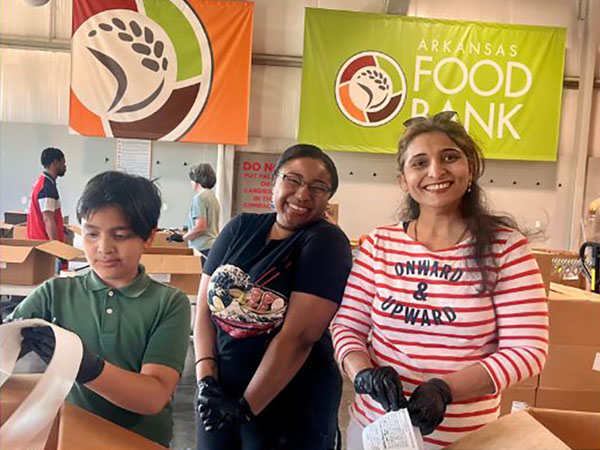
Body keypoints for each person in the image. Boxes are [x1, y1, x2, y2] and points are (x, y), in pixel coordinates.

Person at [330, 111, 549, 449]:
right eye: (419, 162)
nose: (435, 171)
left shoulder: (506, 249)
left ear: (470, 169)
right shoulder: (378, 245)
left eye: (450, 157)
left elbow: (528, 350)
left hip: (468, 438)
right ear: (404, 179)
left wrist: (445, 390)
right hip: (377, 431)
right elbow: (347, 328)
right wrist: (363, 374)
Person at [10, 171, 191, 447]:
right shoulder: (55, 293)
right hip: (73, 437)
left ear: (149, 236)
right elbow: (7, 341)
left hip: (141, 441)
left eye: (120, 235)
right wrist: (11, 342)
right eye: (92, 234)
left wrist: (88, 368)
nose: (104, 247)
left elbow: (154, 395)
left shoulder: (169, 303)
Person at [193, 144, 353, 449]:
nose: (303, 194)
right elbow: (203, 311)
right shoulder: (239, 228)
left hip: (288, 403)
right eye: (292, 180)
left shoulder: (326, 242)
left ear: (328, 198)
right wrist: (206, 381)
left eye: (318, 187)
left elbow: (298, 337)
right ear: (274, 181)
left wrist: (244, 408)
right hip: (220, 393)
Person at [167, 163, 220, 258]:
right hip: (212, 246)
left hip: (201, 248)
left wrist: (182, 238)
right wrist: (185, 232)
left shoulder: (199, 198)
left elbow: (200, 227)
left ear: (196, 181)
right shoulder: (213, 198)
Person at [26, 147, 67, 241]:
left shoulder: (42, 182)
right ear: (55, 162)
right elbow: (48, 219)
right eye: (63, 163)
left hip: (38, 241)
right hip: (44, 243)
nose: (65, 166)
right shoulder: (46, 188)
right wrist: (56, 248)